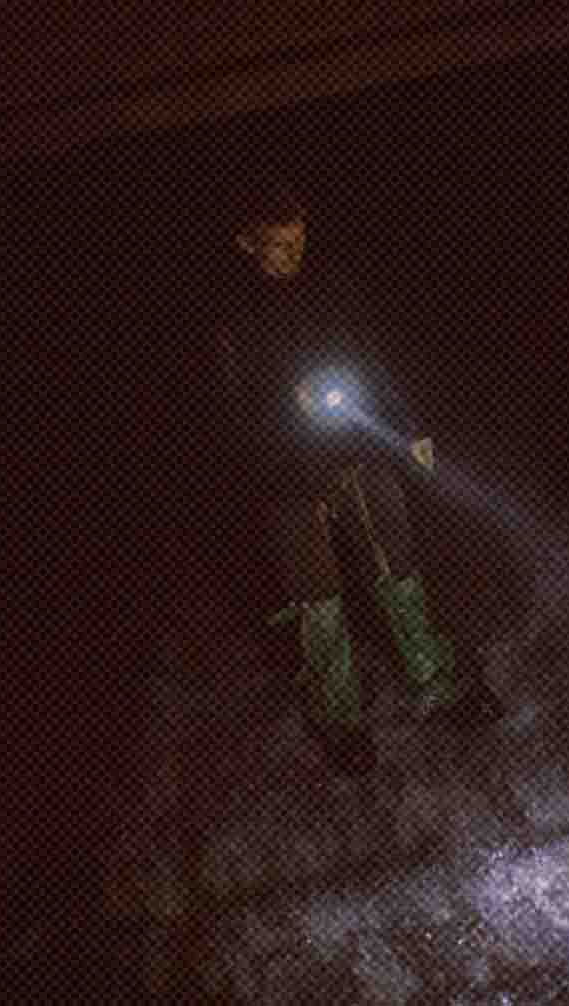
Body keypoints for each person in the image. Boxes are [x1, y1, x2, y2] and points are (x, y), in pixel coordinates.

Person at [213, 183, 495, 773]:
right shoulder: (233, 320)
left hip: (354, 455)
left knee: (397, 567)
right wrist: (288, 413)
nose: (293, 254)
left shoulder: (328, 289)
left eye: (299, 241)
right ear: (247, 244)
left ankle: (437, 683)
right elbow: (231, 418)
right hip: (290, 481)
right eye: (279, 246)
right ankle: (340, 720)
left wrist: (408, 425)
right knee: (319, 602)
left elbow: (370, 358)